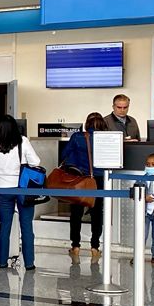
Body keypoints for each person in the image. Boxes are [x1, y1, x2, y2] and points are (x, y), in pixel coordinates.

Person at [0, 116, 39, 270]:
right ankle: (29, 263)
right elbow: (36, 162)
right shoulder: (22, 141)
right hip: (22, 188)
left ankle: (2, 262)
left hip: (3, 189)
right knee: (26, 227)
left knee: (5, 226)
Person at [62, 112, 108, 264]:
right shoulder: (107, 138)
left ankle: (75, 245)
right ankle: (95, 247)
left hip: (80, 179)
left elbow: (64, 154)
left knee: (76, 212)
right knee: (97, 212)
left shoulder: (78, 137)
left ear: (87, 124)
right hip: (99, 179)